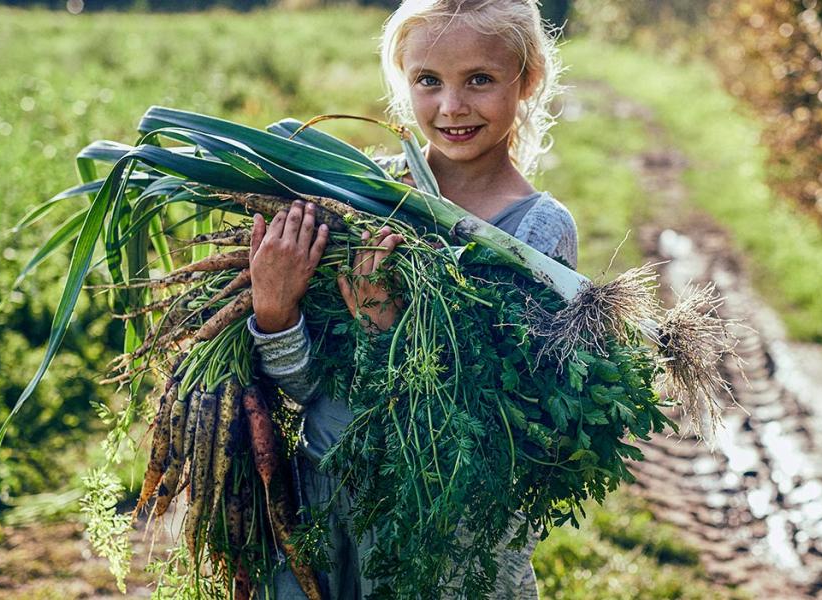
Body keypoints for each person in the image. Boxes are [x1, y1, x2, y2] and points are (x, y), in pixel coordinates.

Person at [244, 1, 576, 597]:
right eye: (428, 81)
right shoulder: (362, 196)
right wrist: (275, 312)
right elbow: (308, 389)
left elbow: (504, 419)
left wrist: (383, 329)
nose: (451, 107)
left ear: (526, 81)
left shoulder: (536, 233)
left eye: (479, 79)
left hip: (446, 530)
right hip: (325, 506)